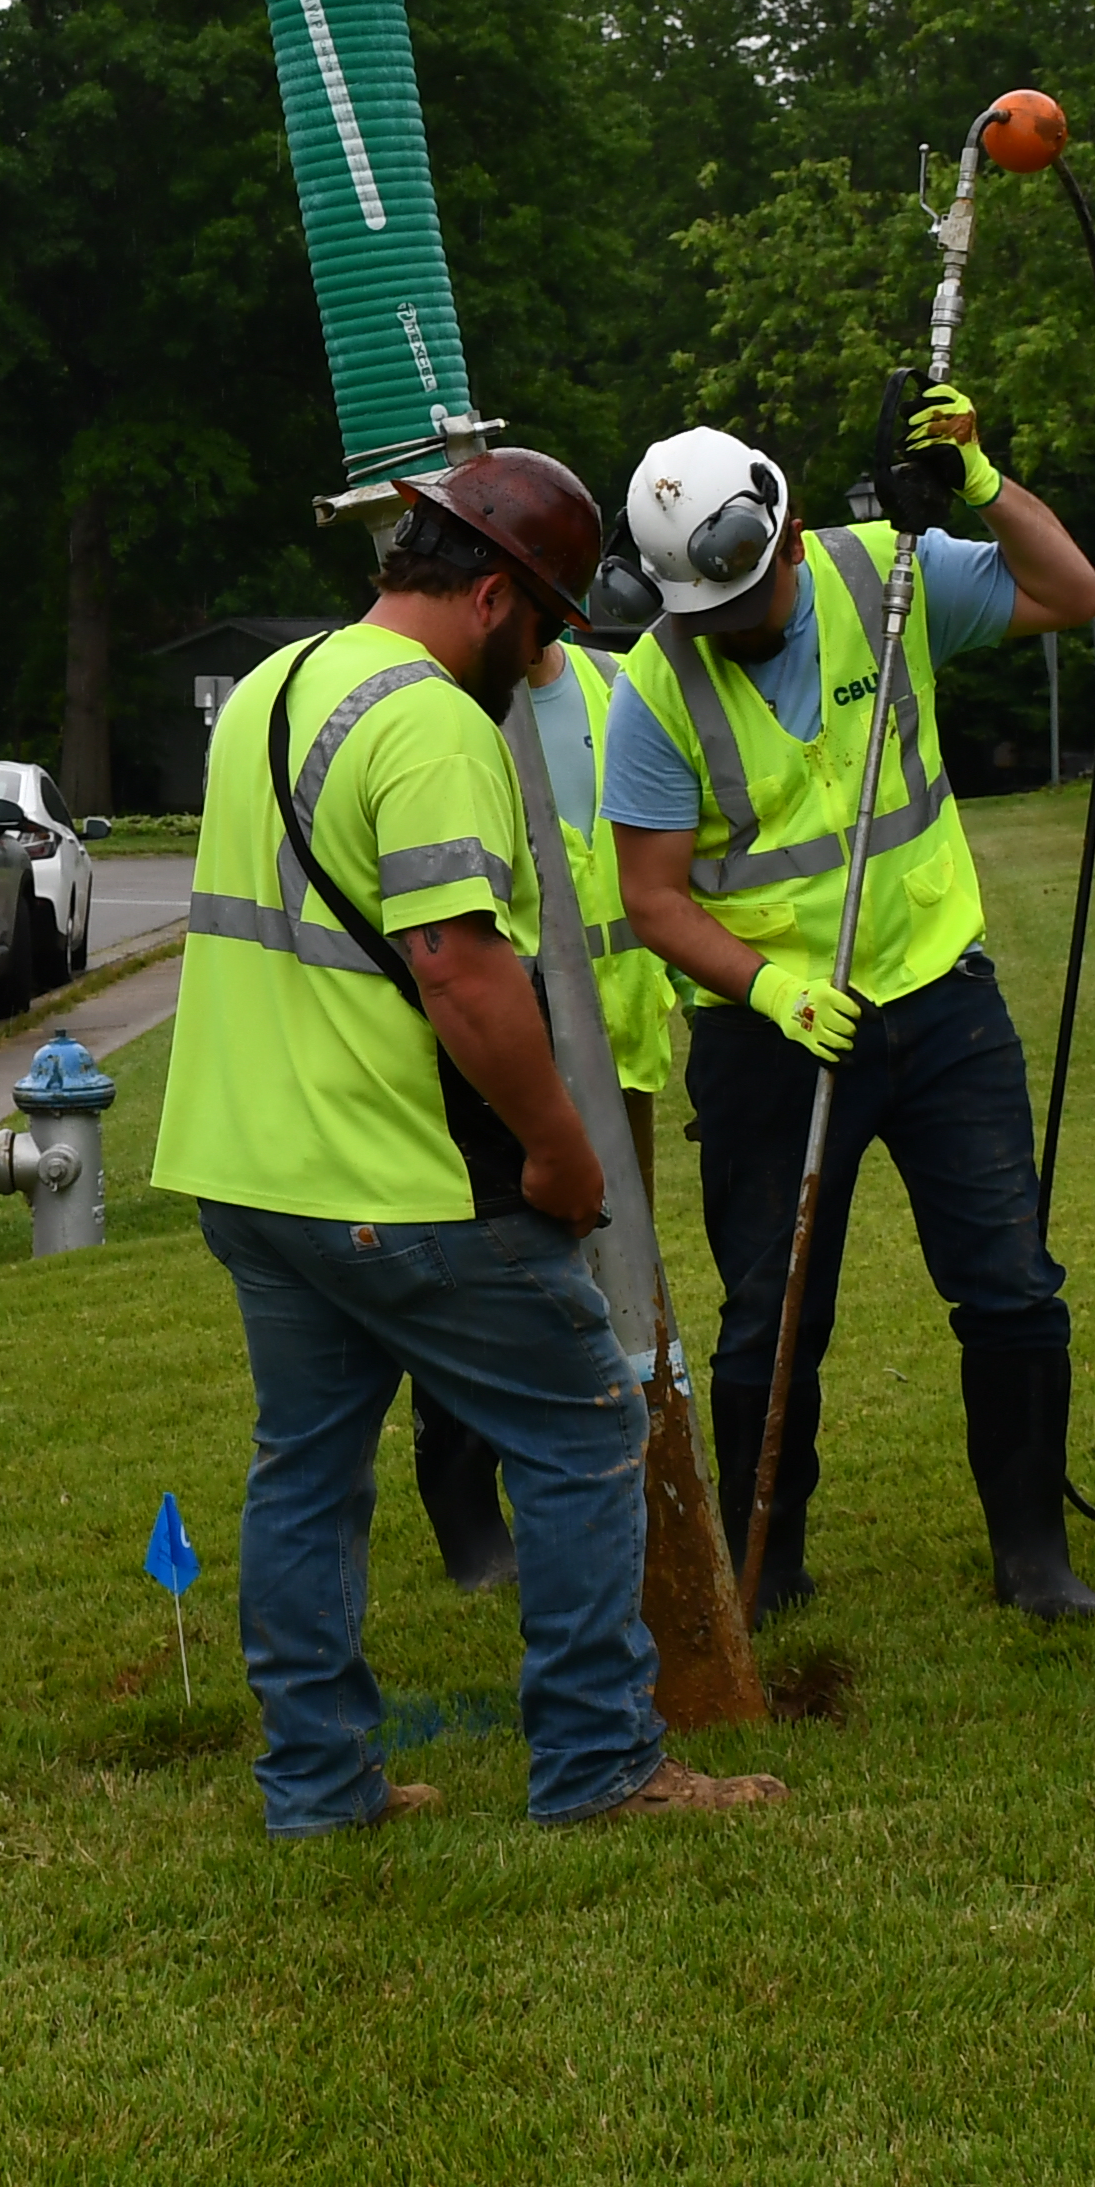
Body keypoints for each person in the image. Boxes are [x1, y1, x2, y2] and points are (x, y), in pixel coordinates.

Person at [157, 450, 781, 1832]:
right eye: (547, 621)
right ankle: (601, 1765)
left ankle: (319, 1785)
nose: (548, 652)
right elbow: (460, 968)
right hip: (396, 1177)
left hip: (247, 1170)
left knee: (306, 1471)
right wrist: (560, 1149)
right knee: (581, 1427)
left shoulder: (273, 686)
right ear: (494, 597)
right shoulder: (433, 723)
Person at [606, 397, 1095, 1622]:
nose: (728, 629)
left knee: (1010, 1283)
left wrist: (982, 483)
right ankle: (765, 1559)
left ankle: (1033, 1554)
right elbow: (652, 896)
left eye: (743, 602)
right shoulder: (655, 689)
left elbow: (1073, 592)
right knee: (771, 1315)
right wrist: (771, 989)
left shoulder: (885, 576)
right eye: (703, 614)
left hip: (939, 997)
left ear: (784, 537)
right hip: (768, 1039)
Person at [406, 575, 681, 1594]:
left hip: (621, 1053)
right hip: (498, 1054)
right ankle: (468, 1499)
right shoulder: (447, 710)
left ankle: (628, 1491)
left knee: (620, 1285)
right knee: (494, 1279)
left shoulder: (622, 688)